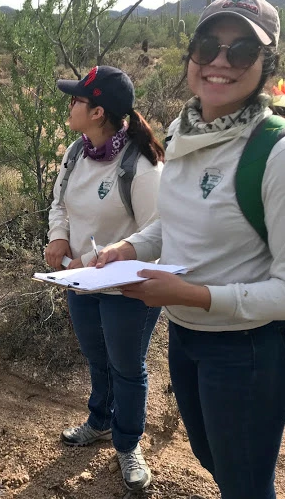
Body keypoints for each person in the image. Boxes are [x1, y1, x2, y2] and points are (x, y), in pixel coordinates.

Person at [92, 0, 285, 499]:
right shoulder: (184, 133)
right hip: (187, 338)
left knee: (244, 485)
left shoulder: (283, 154)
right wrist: (128, 249)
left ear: (268, 66)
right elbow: (174, 224)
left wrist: (194, 295)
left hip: (249, 350)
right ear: (191, 55)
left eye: (243, 50)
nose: (221, 61)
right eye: (208, 45)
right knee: (213, 459)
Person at [45, 65, 164, 491]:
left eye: (77, 100)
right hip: (79, 282)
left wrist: (96, 260)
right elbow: (59, 203)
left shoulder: (141, 167)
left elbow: (158, 236)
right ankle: (99, 421)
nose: (70, 105)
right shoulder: (76, 152)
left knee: (127, 367)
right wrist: (59, 237)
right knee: (98, 359)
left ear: (98, 112)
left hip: (127, 289)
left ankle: (128, 443)